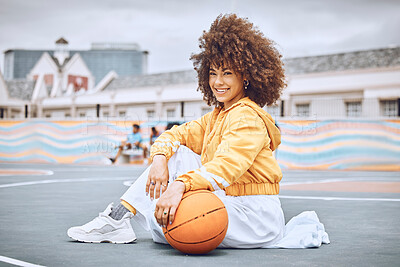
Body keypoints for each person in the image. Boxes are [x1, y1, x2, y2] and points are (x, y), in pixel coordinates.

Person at [68, 14, 329, 248]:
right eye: (213, 73)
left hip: (255, 216)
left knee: (169, 222)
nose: (217, 82)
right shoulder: (217, 116)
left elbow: (226, 166)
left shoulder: (248, 117)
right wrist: (159, 159)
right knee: (176, 160)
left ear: (246, 76)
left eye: (227, 73)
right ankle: (119, 219)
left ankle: (121, 222)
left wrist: (180, 184)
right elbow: (174, 136)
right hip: (231, 203)